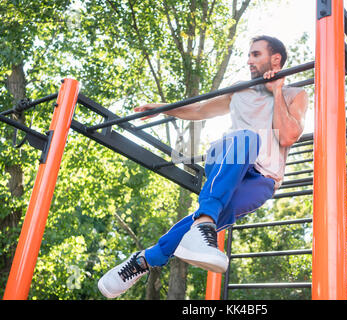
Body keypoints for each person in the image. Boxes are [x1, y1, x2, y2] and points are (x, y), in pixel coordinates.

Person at [97, 35, 309, 298]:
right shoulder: (240, 90)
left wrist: (277, 90)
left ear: (275, 58)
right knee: (247, 138)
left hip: (262, 179)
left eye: (255, 54)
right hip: (229, 156)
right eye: (248, 54)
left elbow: (288, 135)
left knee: (204, 220)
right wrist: (164, 108)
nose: (248, 60)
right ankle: (205, 223)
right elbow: (199, 110)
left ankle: (142, 261)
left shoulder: (295, 95)